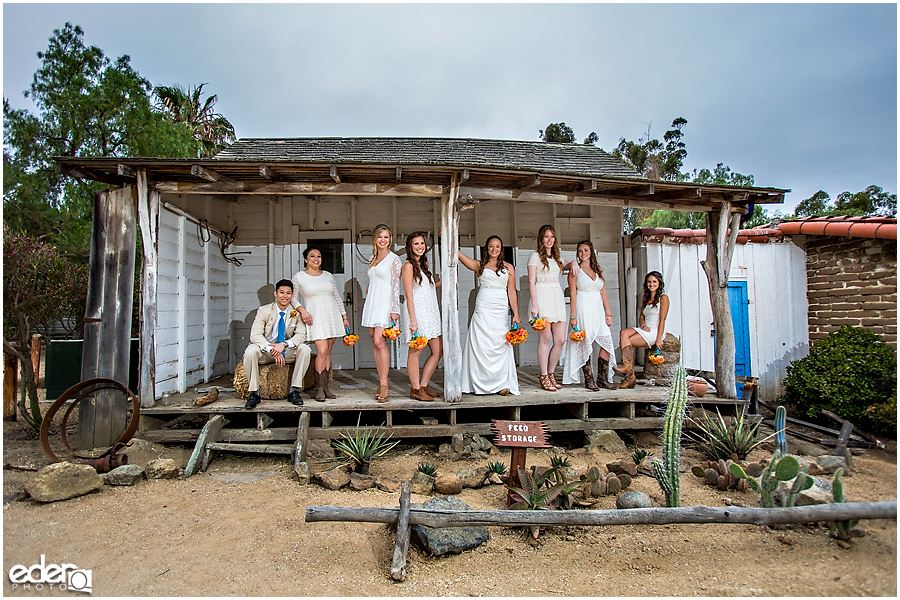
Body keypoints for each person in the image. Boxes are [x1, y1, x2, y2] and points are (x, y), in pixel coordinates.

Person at [458, 236, 521, 396]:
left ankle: (502, 383)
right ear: (487, 248)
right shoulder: (480, 265)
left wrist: (516, 314)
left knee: (500, 342)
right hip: (483, 307)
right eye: (491, 246)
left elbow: (511, 291)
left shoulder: (509, 267)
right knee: (482, 343)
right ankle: (479, 382)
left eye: (497, 246)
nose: (494, 249)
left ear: (501, 249)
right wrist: (447, 239)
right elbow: (459, 256)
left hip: (500, 308)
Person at [290, 246, 350, 402]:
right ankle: (319, 388)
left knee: (328, 351)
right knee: (321, 351)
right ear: (306, 259)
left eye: (319, 256)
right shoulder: (299, 277)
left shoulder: (328, 275)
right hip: (315, 316)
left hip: (332, 314)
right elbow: (293, 297)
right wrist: (302, 310)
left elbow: (336, 296)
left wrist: (344, 316)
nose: (316, 259)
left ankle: (326, 387)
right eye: (312, 256)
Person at [242, 279, 312, 409]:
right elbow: (255, 335)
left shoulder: (296, 313)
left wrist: (283, 345)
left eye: (288, 293)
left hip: (286, 350)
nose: (285, 296)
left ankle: (294, 390)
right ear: (275, 294)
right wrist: (271, 348)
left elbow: (301, 335)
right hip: (267, 351)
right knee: (250, 351)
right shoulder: (264, 310)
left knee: (305, 349)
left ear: (292, 295)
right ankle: (254, 393)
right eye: (281, 292)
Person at [563, 240, 618, 390]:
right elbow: (573, 293)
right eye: (580, 251)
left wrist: (609, 312)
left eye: (586, 250)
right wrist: (573, 316)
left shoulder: (598, 269)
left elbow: (603, 292)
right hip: (582, 307)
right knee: (584, 341)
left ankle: (602, 378)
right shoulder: (576, 271)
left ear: (591, 251)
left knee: (606, 342)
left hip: (598, 309)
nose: (583, 254)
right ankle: (589, 379)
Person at [360, 224, 401, 402]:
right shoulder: (373, 258)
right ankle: (380, 380)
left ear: (390, 239)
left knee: (379, 341)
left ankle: (384, 384)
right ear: (375, 239)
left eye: (386, 237)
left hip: (386, 303)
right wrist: (371, 287)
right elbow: (376, 278)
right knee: (374, 342)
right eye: (380, 237)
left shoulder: (394, 259)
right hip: (373, 302)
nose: (383, 240)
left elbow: (395, 285)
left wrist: (395, 309)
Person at [401, 232, 443, 401]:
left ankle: (424, 385)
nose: (420, 246)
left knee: (438, 351)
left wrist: (444, 280)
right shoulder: (408, 266)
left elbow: (429, 289)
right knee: (416, 351)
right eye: (416, 244)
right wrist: (413, 320)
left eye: (422, 243)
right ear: (410, 247)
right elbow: (409, 295)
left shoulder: (423, 265)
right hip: (416, 312)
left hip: (430, 312)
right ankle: (415, 388)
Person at [528, 224, 570, 392]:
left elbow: (568, 265)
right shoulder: (535, 257)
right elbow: (532, 281)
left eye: (552, 237)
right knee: (545, 339)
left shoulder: (558, 258)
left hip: (556, 299)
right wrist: (535, 304)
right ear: (541, 239)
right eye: (546, 236)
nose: (549, 240)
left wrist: (574, 263)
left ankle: (552, 373)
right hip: (542, 297)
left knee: (560, 339)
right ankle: (544, 374)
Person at [616, 271, 670, 389]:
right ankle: (628, 368)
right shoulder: (647, 298)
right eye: (649, 282)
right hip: (645, 328)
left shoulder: (663, 298)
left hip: (655, 330)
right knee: (623, 333)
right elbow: (641, 316)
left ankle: (629, 375)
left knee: (628, 340)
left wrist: (659, 338)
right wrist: (643, 325)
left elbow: (662, 319)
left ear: (659, 283)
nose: (651, 284)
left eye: (654, 282)